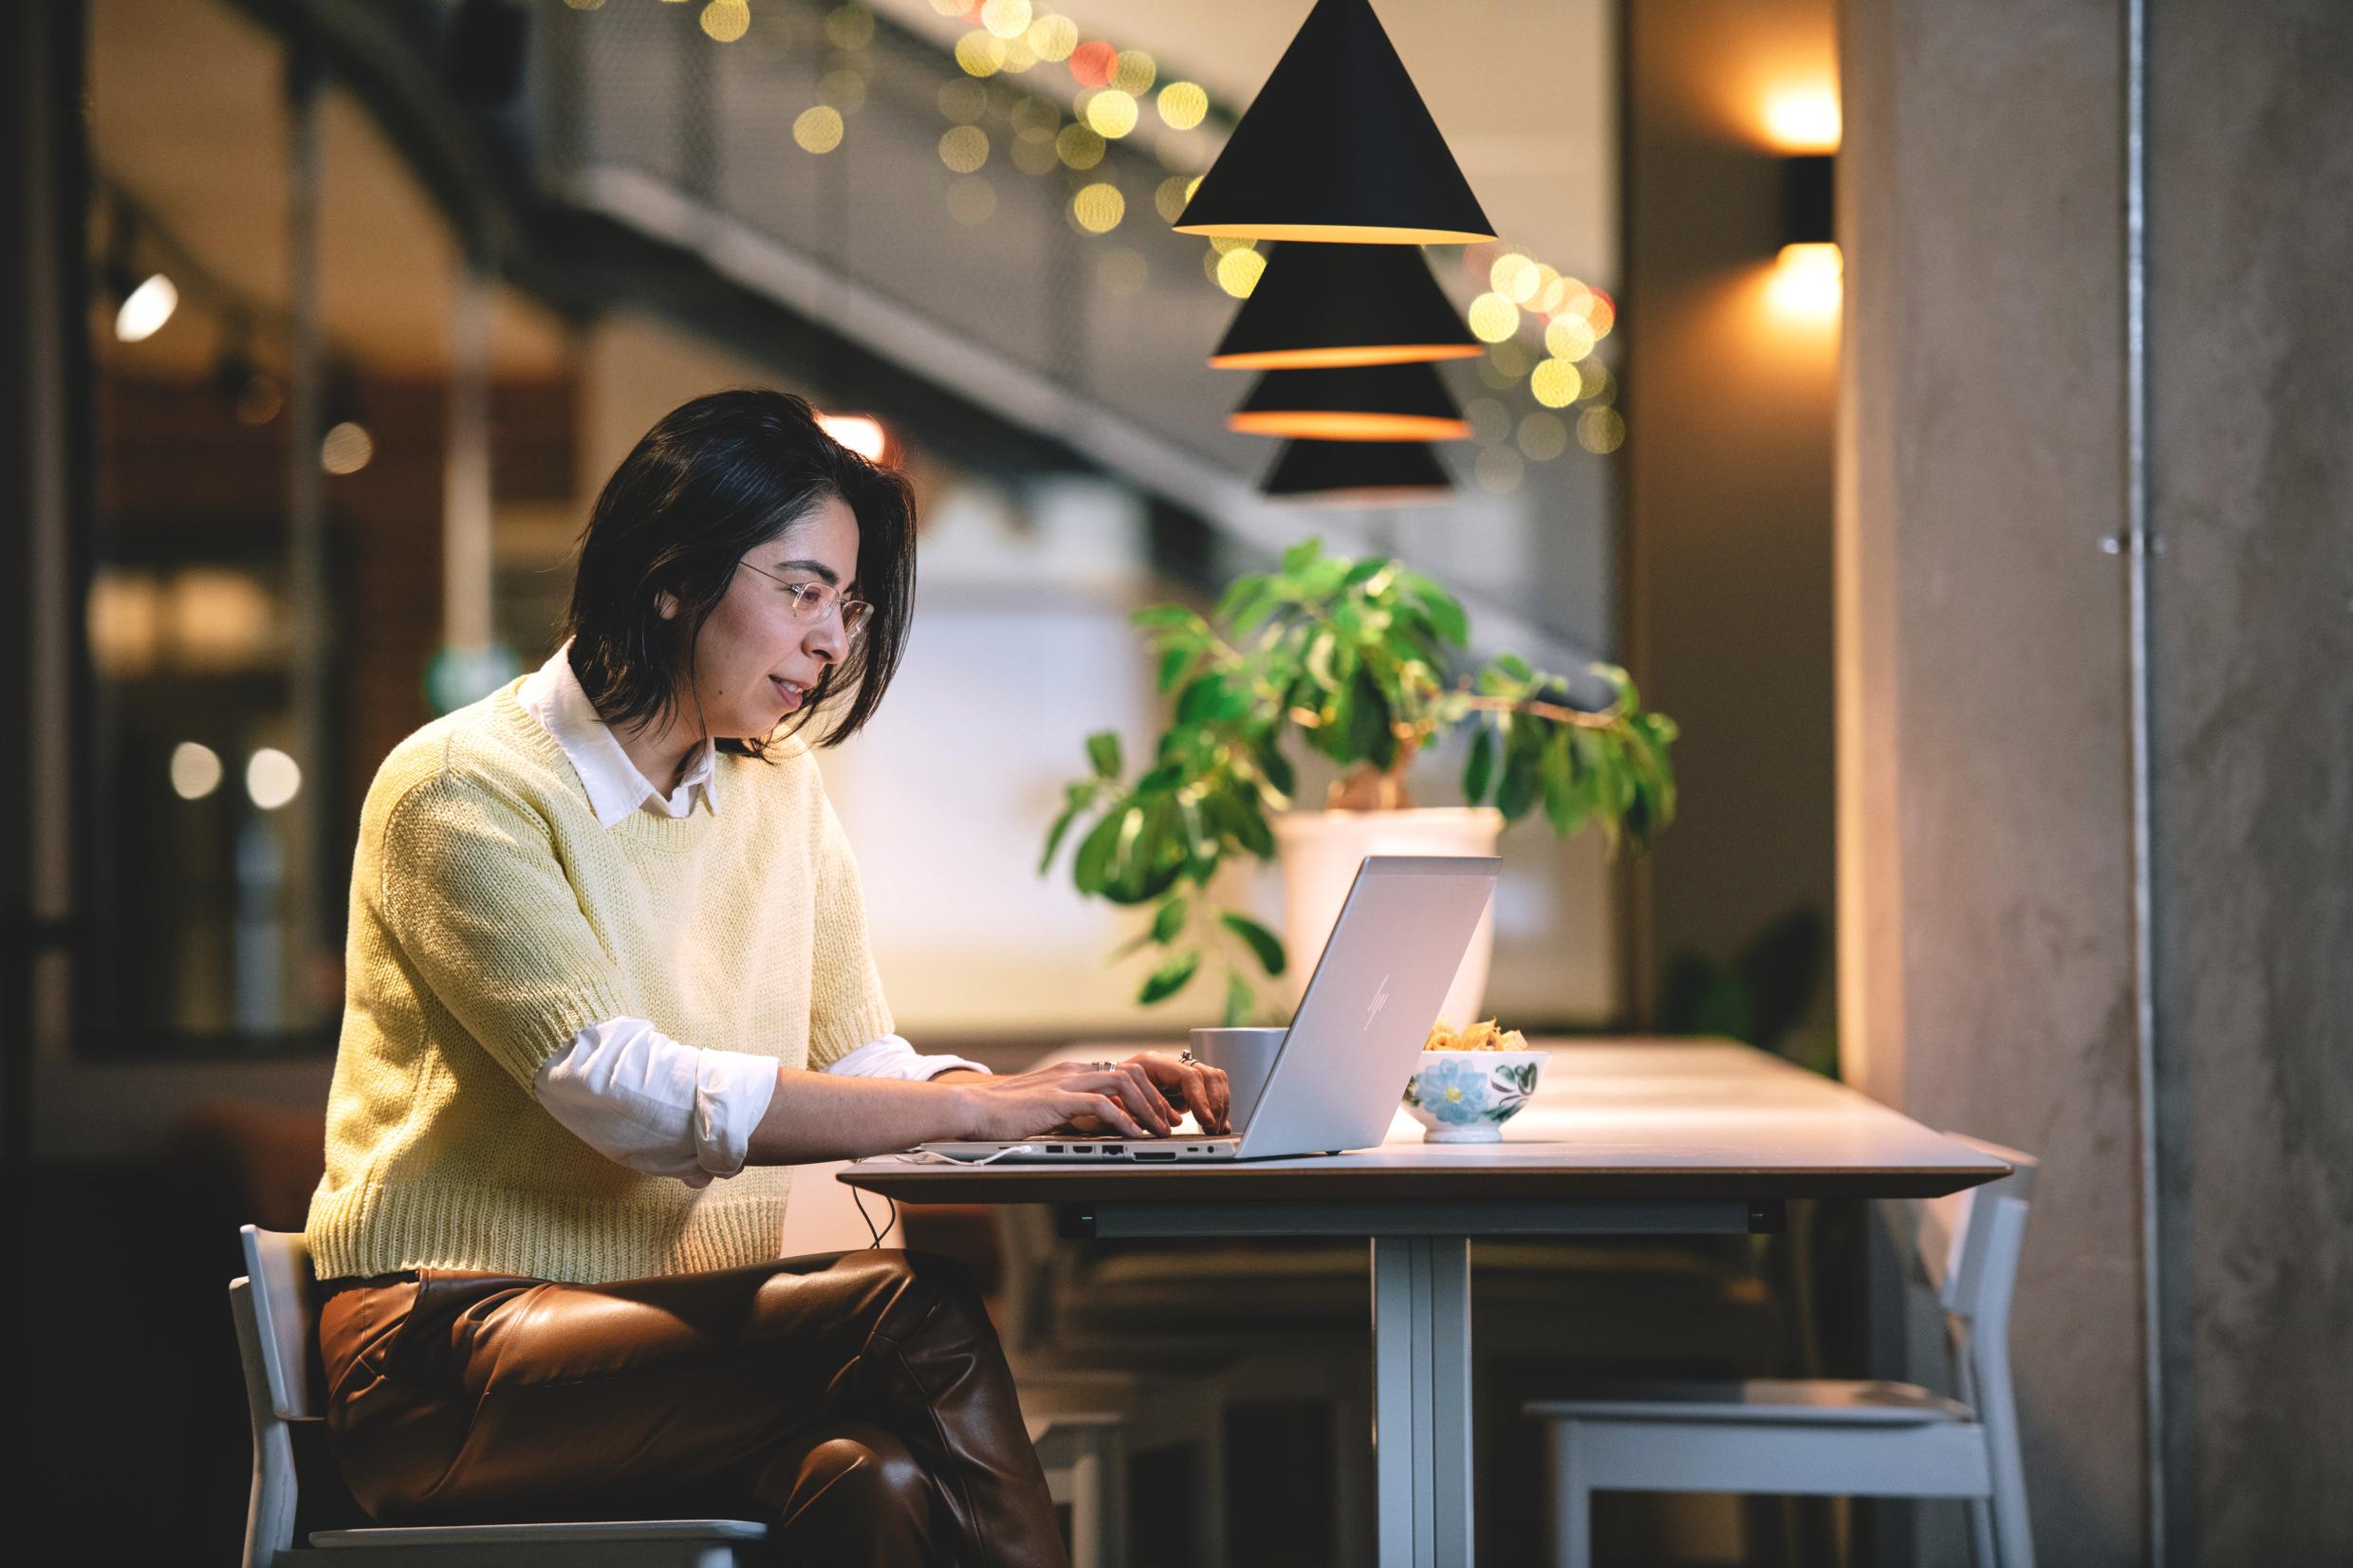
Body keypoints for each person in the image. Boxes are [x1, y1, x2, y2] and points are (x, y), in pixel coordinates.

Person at [303, 389, 1231, 1566]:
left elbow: (867, 1067)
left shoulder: (775, 790)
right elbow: (620, 1095)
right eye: (799, 591)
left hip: (647, 1346)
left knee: (869, 1478)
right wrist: (982, 1106)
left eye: (846, 606)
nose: (832, 641)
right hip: (444, 1358)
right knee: (916, 1314)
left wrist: (1055, 1099)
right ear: (671, 574)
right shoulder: (460, 787)